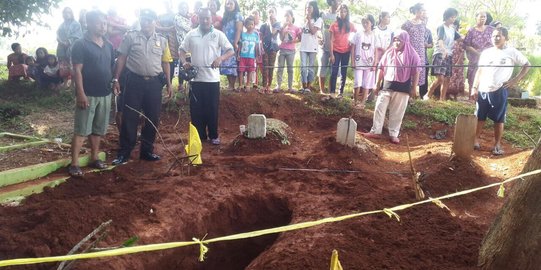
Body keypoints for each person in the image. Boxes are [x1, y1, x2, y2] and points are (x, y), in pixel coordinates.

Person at [111, 9, 173, 165]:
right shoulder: (131, 36)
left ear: (154, 22)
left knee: (152, 117)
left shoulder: (162, 40)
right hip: (134, 82)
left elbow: (165, 62)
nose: (145, 23)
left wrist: (169, 83)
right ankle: (124, 152)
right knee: (129, 117)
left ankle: (146, 151)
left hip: (154, 84)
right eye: (143, 19)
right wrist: (116, 79)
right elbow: (121, 59)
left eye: (148, 20)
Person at [68, 10, 115, 177]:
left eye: (105, 23)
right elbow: (77, 70)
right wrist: (80, 93)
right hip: (88, 94)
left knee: (98, 129)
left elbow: (110, 68)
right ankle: (74, 163)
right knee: (81, 129)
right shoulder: (80, 44)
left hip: (105, 93)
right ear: (89, 23)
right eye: (99, 23)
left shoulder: (108, 45)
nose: (103, 26)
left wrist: (114, 83)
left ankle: (94, 158)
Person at [180, 8, 235, 145]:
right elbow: (181, 50)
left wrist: (220, 59)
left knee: (212, 109)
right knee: (196, 110)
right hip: (196, 80)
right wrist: (185, 62)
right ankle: (199, 137)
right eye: (202, 18)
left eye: (207, 18)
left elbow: (231, 50)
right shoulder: (191, 34)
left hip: (212, 80)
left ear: (212, 19)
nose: (205, 21)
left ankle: (214, 136)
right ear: (198, 18)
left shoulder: (218, 34)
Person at [472, 27, 530, 155]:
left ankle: (497, 144)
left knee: (499, 119)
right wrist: (474, 88)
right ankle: (475, 140)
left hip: (500, 89)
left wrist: (515, 80)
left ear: (506, 38)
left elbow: (527, 65)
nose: (496, 38)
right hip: (483, 89)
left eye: (499, 36)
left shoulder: (512, 52)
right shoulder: (486, 52)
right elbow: (479, 71)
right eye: (493, 36)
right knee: (480, 116)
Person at [363, 30, 421, 144]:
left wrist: (414, 88)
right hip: (387, 85)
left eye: (399, 40)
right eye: (395, 39)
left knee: (397, 112)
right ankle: (375, 131)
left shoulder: (413, 54)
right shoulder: (389, 53)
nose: (397, 42)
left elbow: (416, 71)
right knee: (379, 108)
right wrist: (377, 84)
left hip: (403, 88)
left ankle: (394, 134)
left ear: (405, 41)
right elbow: (381, 68)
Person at [427, 8, 459, 101]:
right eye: (452, 17)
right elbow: (440, 41)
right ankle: (428, 94)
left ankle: (442, 99)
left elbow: (460, 38)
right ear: (447, 17)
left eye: (454, 17)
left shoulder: (453, 29)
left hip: (449, 55)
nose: (453, 19)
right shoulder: (441, 27)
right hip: (440, 54)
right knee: (440, 78)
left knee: (447, 79)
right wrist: (444, 50)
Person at [463, 11, 495, 99]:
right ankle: (472, 98)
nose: (483, 19)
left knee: (487, 78)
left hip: (489, 59)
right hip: (475, 59)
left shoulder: (491, 29)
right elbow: (466, 45)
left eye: (484, 17)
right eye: (481, 17)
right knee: (473, 78)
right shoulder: (471, 31)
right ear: (476, 18)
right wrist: (478, 53)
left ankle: (485, 99)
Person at [351, 14, 379, 108]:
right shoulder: (358, 34)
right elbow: (353, 48)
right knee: (357, 82)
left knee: (367, 84)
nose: (365, 24)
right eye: (363, 22)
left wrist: (375, 63)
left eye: (367, 22)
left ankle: (362, 103)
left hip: (369, 64)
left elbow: (376, 51)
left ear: (371, 23)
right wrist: (353, 61)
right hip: (358, 62)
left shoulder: (374, 36)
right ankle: (355, 101)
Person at [329, 4, 355, 98]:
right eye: (341, 11)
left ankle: (340, 93)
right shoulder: (334, 25)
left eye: (344, 11)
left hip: (346, 51)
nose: (342, 13)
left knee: (343, 72)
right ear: (338, 12)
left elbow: (354, 40)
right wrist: (331, 54)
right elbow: (331, 40)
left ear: (347, 13)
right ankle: (332, 92)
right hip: (336, 51)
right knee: (334, 72)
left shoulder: (351, 25)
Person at [402, 3, 426, 96]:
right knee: (409, 71)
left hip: (421, 51)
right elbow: (402, 37)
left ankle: (414, 93)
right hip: (410, 51)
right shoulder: (407, 24)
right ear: (416, 11)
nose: (423, 13)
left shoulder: (423, 23)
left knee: (418, 71)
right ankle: (406, 94)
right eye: (421, 11)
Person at [299, 0, 323, 93]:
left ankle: (308, 87)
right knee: (303, 67)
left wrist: (309, 20)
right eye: (307, 8)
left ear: (314, 8)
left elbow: (313, 31)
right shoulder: (303, 20)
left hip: (312, 47)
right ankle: (303, 86)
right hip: (303, 47)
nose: (308, 9)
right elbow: (301, 33)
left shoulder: (318, 19)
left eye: (310, 7)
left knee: (310, 67)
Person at [275, 9, 301, 93]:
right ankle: (278, 85)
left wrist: (292, 41)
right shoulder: (282, 27)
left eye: (288, 16)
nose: (287, 18)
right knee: (280, 67)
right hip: (282, 49)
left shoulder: (296, 28)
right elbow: (281, 39)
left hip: (291, 50)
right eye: (285, 16)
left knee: (290, 69)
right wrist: (283, 29)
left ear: (292, 17)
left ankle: (290, 87)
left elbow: (300, 38)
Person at [220, 0, 243, 91]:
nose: (229, 5)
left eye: (231, 3)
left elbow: (239, 29)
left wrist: (235, 43)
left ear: (235, 4)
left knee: (233, 64)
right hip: (225, 43)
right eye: (227, 4)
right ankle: (230, 85)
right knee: (226, 64)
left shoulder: (238, 15)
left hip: (234, 43)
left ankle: (232, 85)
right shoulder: (225, 16)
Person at [318, 0, 340, 94]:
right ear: (331, 2)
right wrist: (318, 38)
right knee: (322, 68)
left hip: (335, 49)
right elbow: (318, 29)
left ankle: (331, 91)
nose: (338, 3)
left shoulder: (340, 17)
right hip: (324, 47)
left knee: (333, 70)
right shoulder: (323, 15)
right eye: (336, 1)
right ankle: (322, 90)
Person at [157, 2, 180, 84]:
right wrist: (167, 29)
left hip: (172, 40)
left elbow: (176, 27)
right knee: (161, 59)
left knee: (172, 61)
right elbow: (156, 26)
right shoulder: (160, 15)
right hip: (161, 38)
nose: (167, 5)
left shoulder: (175, 15)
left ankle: (169, 83)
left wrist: (163, 29)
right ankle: (161, 82)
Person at [259, 6, 281, 94]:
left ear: (276, 14)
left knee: (271, 67)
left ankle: (269, 86)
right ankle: (264, 86)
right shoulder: (263, 25)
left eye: (272, 12)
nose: (271, 14)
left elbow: (273, 32)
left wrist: (271, 22)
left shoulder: (278, 24)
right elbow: (260, 37)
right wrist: (261, 48)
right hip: (265, 48)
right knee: (265, 67)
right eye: (269, 12)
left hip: (273, 49)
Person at [174, 1, 193, 93]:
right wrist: (192, 20)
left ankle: (190, 84)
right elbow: (188, 28)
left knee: (190, 63)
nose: (183, 9)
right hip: (182, 44)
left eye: (185, 8)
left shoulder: (188, 18)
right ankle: (181, 86)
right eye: (182, 8)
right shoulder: (178, 17)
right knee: (182, 64)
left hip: (191, 45)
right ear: (178, 9)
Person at [238, 16, 260, 92]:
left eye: (252, 24)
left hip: (251, 56)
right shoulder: (243, 34)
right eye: (248, 24)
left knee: (250, 71)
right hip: (243, 56)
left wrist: (257, 56)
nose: (250, 26)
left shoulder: (256, 35)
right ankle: (240, 85)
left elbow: (257, 47)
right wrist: (238, 54)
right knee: (241, 70)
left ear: (254, 25)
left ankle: (248, 85)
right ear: (245, 25)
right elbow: (240, 45)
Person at [446, 19, 465, 100]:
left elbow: (462, 51)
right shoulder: (448, 36)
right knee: (449, 78)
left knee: (457, 79)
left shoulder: (460, 38)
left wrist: (458, 61)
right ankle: (447, 94)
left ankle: (455, 96)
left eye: (454, 25)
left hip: (457, 61)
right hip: (449, 60)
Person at [419, 24, 433, 99]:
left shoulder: (428, 31)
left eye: (426, 18)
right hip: (412, 56)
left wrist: (425, 45)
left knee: (424, 77)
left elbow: (431, 44)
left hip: (424, 57)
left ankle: (423, 96)